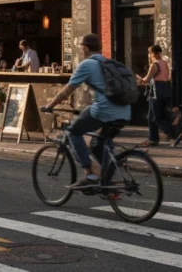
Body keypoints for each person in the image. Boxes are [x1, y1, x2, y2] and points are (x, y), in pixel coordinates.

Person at [41, 34, 131, 189]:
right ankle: (106, 179)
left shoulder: (87, 64)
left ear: (85, 48)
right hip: (125, 111)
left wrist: (50, 104)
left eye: (81, 46)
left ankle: (90, 174)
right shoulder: (108, 62)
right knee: (99, 142)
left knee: (73, 132)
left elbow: (67, 90)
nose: (81, 49)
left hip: (104, 110)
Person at [137, 45, 182, 147]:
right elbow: (165, 77)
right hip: (166, 89)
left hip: (156, 92)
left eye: (150, 53)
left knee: (156, 117)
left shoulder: (154, 65)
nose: (149, 55)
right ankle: (152, 138)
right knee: (151, 116)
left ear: (153, 53)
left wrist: (140, 80)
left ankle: (173, 136)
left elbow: (147, 79)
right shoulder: (165, 63)